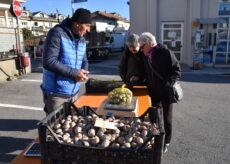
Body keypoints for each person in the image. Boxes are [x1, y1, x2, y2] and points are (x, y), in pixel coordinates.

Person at [41, 8, 91, 114]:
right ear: (77, 24)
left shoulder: (81, 39)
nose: (88, 30)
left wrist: (83, 73)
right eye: (87, 25)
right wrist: (74, 73)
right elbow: (49, 61)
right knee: (54, 126)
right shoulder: (57, 33)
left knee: (70, 124)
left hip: (74, 92)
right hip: (56, 93)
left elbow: (84, 60)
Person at [138, 32, 181, 153]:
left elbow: (177, 71)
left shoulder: (166, 52)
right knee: (155, 116)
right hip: (153, 92)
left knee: (167, 118)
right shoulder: (147, 56)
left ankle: (166, 141)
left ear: (150, 43)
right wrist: (139, 78)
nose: (141, 49)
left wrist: (168, 83)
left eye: (142, 46)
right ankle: (156, 139)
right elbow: (147, 74)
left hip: (166, 92)